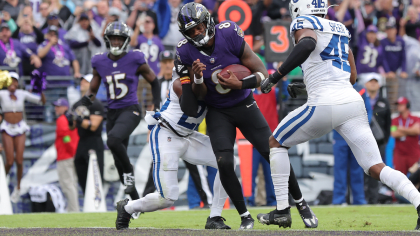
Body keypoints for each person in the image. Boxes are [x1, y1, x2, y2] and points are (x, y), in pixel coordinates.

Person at [257, 0, 420, 230]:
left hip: (325, 104)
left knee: (276, 142)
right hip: (352, 103)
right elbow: (350, 77)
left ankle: (282, 210)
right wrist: (306, 86)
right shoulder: (339, 29)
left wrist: (276, 77)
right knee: (376, 167)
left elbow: (306, 45)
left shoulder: (304, 23)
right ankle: (419, 202)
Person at [176, 3, 317, 229]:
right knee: (224, 162)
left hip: (243, 104)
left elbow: (261, 74)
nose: (197, 34)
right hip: (217, 110)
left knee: (273, 152)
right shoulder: (184, 52)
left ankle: (301, 204)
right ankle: (245, 215)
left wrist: (240, 83)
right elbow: (197, 99)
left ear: (208, 22)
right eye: (191, 31)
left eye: (199, 27)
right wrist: (198, 79)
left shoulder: (228, 33)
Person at [115, 59, 230, 230]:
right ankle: (128, 208)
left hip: (188, 136)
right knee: (167, 198)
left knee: (226, 162)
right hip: (166, 134)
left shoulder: (205, 80)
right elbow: (196, 100)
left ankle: (215, 216)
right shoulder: (179, 83)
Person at [80, 21, 160, 202]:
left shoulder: (135, 58)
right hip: (113, 112)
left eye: (119, 39)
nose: (116, 42)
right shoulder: (99, 61)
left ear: (126, 40)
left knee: (113, 140)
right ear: (107, 40)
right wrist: (84, 103)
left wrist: (156, 104)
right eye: (113, 39)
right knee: (117, 157)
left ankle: (129, 171)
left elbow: (154, 81)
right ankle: (135, 201)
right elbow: (93, 88)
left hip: (130, 110)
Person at [142, 50, 212, 208]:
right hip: (164, 129)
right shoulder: (158, 84)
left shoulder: (182, 81)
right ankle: (144, 199)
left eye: (169, 61)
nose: (167, 65)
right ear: (160, 64)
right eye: (164, 62)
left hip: (183, 130)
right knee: (156, 165)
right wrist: (150, 130)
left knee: (195, 168)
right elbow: (155, 106)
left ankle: (207, 201)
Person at [0, 72, 46, 203]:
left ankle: (18, 187)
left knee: (19, 161)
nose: (12, 84)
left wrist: (40, 89)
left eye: (15, 81)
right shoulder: (2, 94)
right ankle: (3, 179)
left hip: (20, 127)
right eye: (10, 81)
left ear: (17, 83)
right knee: (9, 161)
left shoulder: (22, 93)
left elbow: (41, 101)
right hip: (7, 127)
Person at [332, 82, 371, 205]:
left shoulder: (361, 90)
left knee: (357, 169)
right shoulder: (334, 87)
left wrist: (360, 127)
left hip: (356, 135)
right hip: (339, 136)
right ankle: (338, 200)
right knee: (339, 170)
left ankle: (359, 200)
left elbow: (368, 111)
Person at [71, 74, 105, 194]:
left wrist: (77, 119)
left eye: (86, 81)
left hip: (94, 141)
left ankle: (97, 199)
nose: (82, 83)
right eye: (82, 81)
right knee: (79, 167)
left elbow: (93, 126)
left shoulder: (96, 103)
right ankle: (87, 196)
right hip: (82, 141)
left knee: (96, 172)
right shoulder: (77, 104)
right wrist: (70, 119)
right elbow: (71, 127)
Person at [362, 73, 391, 204]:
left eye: (375, 81)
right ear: (366, 84)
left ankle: (373, 200)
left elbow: (388, 123)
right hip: (362, 142)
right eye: (370, 81)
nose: (373, 83)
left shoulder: (384, 102)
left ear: (379, 84)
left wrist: (385, 140)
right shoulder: (360, 99)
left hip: (379, 142)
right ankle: (360, 199)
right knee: (361, 170)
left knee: (377, 171)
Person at [53, 98, 80, 212]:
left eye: (58, 106)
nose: (56, 108)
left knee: (67, 185)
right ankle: (72, 208)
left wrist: (70, 150)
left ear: (65, 107)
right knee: (71, 184)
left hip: (65, 155)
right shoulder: (70, 119)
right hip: (70, 154)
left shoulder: (61, 119)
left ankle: (73, 210)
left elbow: (65, 136)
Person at [381, 20, 407, 108]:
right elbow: (383, 58)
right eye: (387, 29)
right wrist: (387, 71)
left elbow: (403, 57)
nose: (389, 31)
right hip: (386, 73)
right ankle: (389, 111)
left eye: (391, 29)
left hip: (397, 72)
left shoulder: (401, 41)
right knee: (386, 94)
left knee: (396, 94)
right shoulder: (383, 42)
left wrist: (403, 70)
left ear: (395, 30)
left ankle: (394, 111)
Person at [391, 97, 420, 175]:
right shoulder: (394, 120)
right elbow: (394, 133)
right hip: (399, 155)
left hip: (413, 154)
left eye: (401, 105)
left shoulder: (416, 118)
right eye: (398, 105)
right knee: (399, 178)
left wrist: (401, 128)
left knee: (415, 178)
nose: (398, 106)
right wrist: (410, 130)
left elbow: (417, 131)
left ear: (407, 105)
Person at [12, 11, 45, 76]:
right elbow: (13, 38)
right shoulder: (19, 35)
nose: (26, 24)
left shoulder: (35, 34)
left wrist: (32, 25)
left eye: (28, 24)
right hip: (22, 61)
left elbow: (42, 38)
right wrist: (19, 25)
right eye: (24, 24)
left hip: (34, 61)